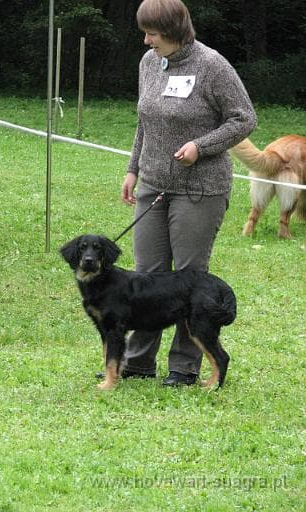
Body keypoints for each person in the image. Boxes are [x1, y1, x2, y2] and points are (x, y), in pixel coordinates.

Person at [119, 0, 257, 386]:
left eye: (153, 34)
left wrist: (202, 146)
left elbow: (244, 119)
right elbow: (144, 122)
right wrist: (133, 169)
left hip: (200, 190)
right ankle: (138, 363)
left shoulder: (212, 65)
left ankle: (183, 368)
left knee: (187, 281)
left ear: (177, 32)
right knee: (148, 276)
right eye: (144, 33)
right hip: (152, 185)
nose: (147, 41)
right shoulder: (149, 63)